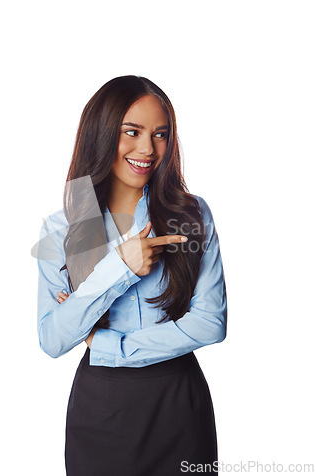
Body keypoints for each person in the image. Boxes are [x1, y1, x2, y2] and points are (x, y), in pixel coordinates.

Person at [36, 75, 228, 475]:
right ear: (102, 134)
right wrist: (119, 267)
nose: (147, 149)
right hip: (99, 413)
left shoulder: (192, 216)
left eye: (160, 134)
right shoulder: (62, 230)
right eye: (132, 132)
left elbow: (210, 324)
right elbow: (54, 339)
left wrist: (107, 345)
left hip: (179, 406)